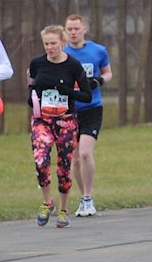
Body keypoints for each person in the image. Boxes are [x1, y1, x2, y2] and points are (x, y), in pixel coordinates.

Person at [29, 25, 93, 227]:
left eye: (53, 43)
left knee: (64, 167)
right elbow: (31, 86)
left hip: (66, 120)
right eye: (46, 44)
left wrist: (67, 90)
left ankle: (64, 209)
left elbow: (86, 95)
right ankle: (47, 202)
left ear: (62, 43)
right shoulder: (37, 63)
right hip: (42, 119)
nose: (49, 47)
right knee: (40, 160)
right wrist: (33, 99)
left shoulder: (73, 65)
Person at [61, 15, 111, 218]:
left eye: (76, 28)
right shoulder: (62, 52)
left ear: (84, 29)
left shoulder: (98, 50)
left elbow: (108, 72)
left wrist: (98, 81)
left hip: (92, 108)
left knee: (85, 153)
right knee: (74, 159)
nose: (73, 32)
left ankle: (89, 197)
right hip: (70, 109)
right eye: (69, 29)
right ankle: (83, 197)